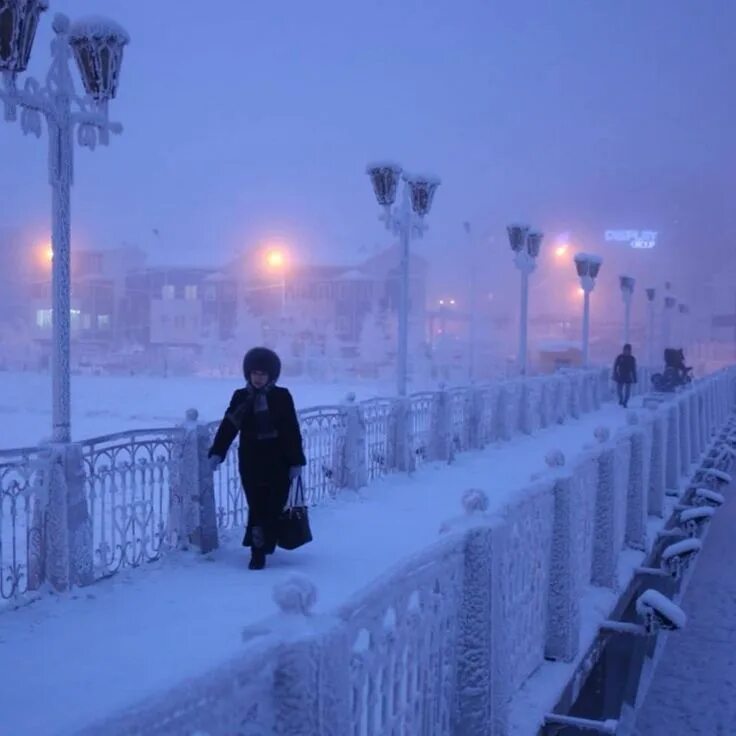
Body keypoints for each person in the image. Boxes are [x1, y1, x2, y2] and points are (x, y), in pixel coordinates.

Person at [208, 347, 306, 570]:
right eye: (254, 373)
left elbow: (291, 430)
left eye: (262, 374)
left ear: (271, 375)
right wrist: (217, 452)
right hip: (251, 462)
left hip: (278, 463)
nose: (258, 378)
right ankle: (257, 552)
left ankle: (265, 541)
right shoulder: (241, 397)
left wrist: (295, 461)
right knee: (257, 507)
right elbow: (229, 426)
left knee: (273, 506)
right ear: (248, 374)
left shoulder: (281, 396)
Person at [613, 343, 637, 408]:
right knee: (619, 390)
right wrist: (615, 374)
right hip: (620, 375)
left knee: (627, 392)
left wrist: (635, 378)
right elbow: (615, 366)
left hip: (628, 376)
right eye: (625, 350)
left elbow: (633, 369)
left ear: (630, 351)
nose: (626, 351)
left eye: (628, 350)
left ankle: (625, 402)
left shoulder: (632, 359)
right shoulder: (620, 357)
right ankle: (621, 399)